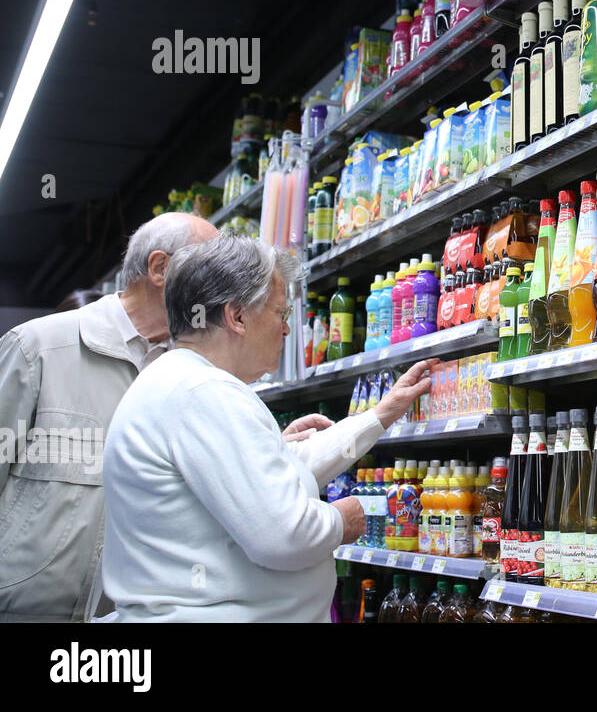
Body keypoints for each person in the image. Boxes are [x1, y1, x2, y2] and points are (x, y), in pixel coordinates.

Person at [101, 234, 431, 622]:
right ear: (236, 316)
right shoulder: (204, 394)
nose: (287, 330)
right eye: (280, 314)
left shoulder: (182, 382)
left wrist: (380, 415)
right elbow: (282, 535)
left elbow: (272, 479)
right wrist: (341, 520)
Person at [0, 212, 218, 622]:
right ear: (160, 268)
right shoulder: (38, 348)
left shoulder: (183, 372)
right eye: (208, 267)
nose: (222, 284)